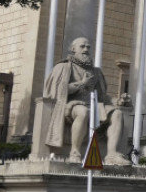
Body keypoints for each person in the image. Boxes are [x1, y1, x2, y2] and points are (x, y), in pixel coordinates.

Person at [43, 36, 128, 164]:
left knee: (117, 113)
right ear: (73, 49)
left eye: (88, 47)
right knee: (83, 112)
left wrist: (118, 101)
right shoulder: (64, 67)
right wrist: (82, 83)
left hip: (94, 105)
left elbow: (102, 96)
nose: (86, 49)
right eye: (82, 46)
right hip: (71, 105)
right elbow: (59, 91)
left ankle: (112, 154)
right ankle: (75, 153)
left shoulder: (96, 71)